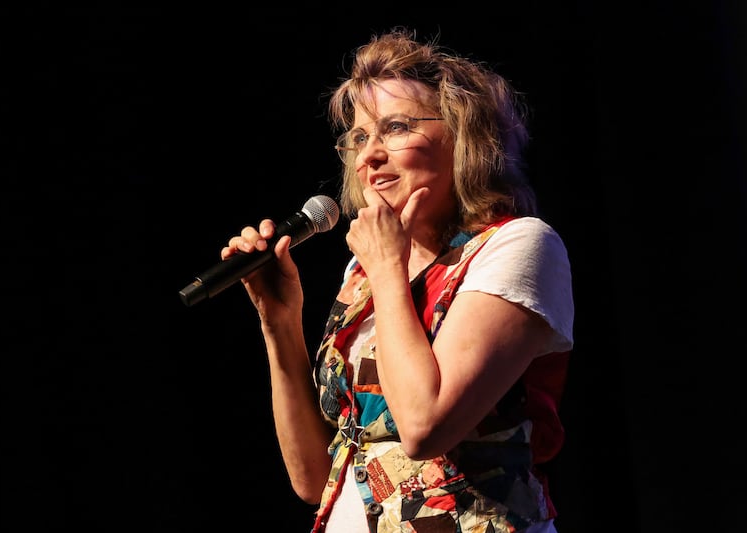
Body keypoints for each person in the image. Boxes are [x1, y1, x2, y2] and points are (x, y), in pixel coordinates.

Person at [220, 27, 574, 533]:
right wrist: (280, 322)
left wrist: (389, 268)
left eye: (396, 128)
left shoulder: (517, 246)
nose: (368, 155)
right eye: (360, 137)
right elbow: (313, 478)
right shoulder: (363, 271)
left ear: (465, 136)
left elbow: (425, 427)